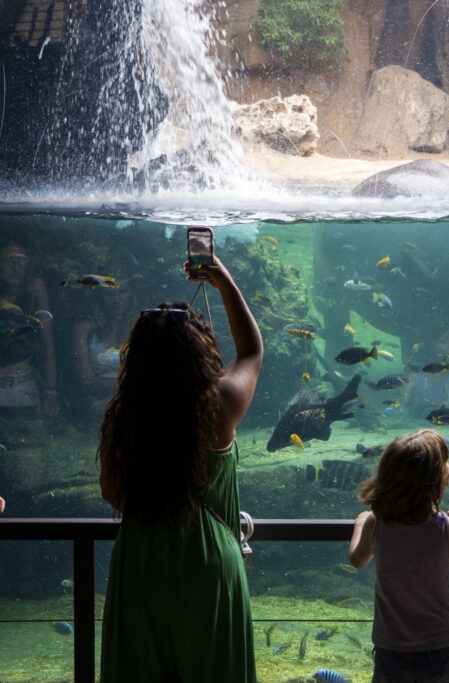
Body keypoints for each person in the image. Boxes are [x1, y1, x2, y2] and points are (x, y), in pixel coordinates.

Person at [98, 255, 263, 682]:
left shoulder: (123, 418)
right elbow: (251, 351)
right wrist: (224, 282)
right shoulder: (220, 406)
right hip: (208, 567)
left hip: (142, 561)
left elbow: (113, 493)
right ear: (199, 353)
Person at [349, 428, 449, 683]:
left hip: (392, 645)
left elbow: (358, 560)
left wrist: (361, 522)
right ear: (437, 478)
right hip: (440, 644)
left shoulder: (375, 523)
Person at [0, 243, 58, 415]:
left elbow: (48, 345)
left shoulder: (35, 291)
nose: (16, 267)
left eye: (21, 261)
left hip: (22, 384)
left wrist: (50, 390)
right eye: (9, 261)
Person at [72, 281, 138, 415]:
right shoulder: (85, 328)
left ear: (131, 293)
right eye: (109, 293)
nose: (116, 300)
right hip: (93, 402)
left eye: (122, 292)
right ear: (100, 296)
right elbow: (85, 379)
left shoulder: (141, 325)